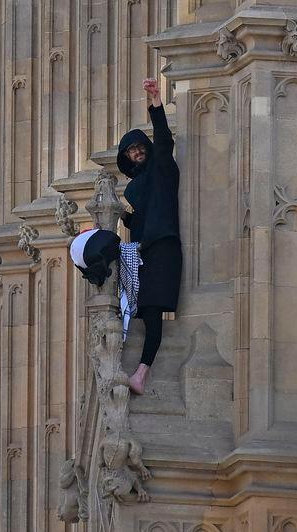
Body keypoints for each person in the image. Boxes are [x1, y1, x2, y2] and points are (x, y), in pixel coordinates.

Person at [117, 78, 182, 395]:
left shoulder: (162, 167)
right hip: (140, 252)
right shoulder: (129, 190)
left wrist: (155, 102)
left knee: (154, 308)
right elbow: (128, 221)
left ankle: (141, 373)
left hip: (164, 246)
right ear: (126, 157)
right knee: (143, 312)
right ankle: (136, 372)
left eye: (141, 146)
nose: (138, 151)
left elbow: (164, 139)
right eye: (132, 149)